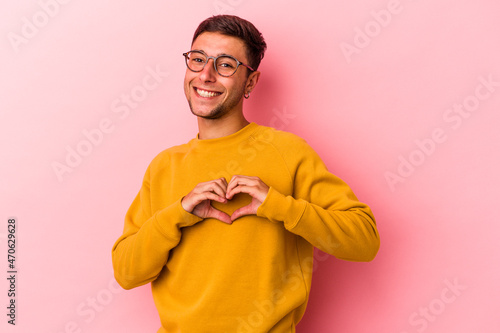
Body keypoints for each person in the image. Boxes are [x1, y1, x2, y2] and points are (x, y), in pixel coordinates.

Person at [112, 14, 380, 333]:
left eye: (225, 65)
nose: (206, 75)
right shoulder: (164, 166)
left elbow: (365, 241)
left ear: (250, 82)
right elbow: (127, 273)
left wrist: (279, 206)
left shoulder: (287, 152)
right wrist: (178, 212)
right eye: (197, 60)